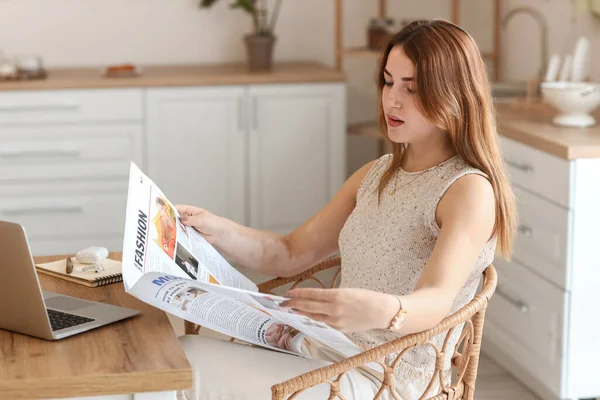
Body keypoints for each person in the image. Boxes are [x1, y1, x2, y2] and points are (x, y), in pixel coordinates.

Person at [175, 19, 517, 400]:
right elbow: (289, 252)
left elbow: (437, 299)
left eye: (413, 88)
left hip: (387, 377)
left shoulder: (467, 190)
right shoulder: (376, 174)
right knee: (172, 360)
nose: (393, 100)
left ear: (453, 95)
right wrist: (215, 228)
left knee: (183, 369)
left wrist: (380, 310)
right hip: (328, 351)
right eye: (388, 81)